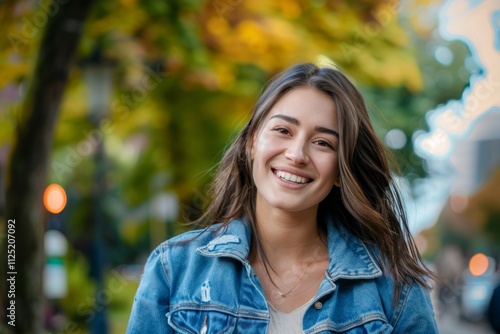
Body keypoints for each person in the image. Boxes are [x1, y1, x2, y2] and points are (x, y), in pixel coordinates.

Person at [126, 63, 438, 333]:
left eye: (322, 143)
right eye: (283, 131)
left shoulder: (394, 288)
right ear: (251, 143)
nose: (297, 154)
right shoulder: (174, 268)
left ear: (342, 171)